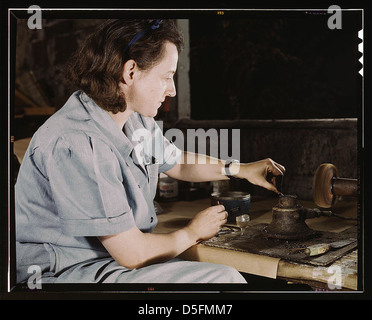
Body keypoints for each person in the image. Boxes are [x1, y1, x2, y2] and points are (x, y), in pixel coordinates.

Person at [15, 19, 285, 284]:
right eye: (166, 77)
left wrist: (240, 169)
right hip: (70, 270)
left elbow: (176, 162)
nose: (172, 90)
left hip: (111, 260)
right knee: (222, 279)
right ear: (130, 72)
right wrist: (192, 232)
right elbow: (132, 254)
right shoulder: (78, 142)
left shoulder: (131, 117)